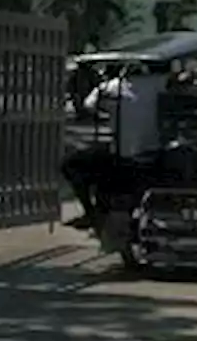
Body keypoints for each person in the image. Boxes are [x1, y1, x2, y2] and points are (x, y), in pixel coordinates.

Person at [60, 63, 167, 228]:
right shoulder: (160, 83)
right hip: (153, 155)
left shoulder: (111, 86)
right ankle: (97, 211)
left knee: (72, 163)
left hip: (121, 154)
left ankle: (91, 212)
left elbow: (89, 106)